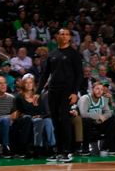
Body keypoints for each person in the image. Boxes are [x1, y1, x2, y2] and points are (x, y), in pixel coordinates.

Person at [39, 28, 82, 162]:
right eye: (61, 34)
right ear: (57, 36)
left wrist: (75, 92)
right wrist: (37, 92)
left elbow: (79, 75)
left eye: (67, 34)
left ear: (70, 38)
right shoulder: (52, 54)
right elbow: (45, 75)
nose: (64, 36)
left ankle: (67, 151)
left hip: (67, 92)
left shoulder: (74, 54)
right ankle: (58, 150)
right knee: (55, 121)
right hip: (53, 91)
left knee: (65, 120)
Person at [78, 80, 115, 156]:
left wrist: (102, 118)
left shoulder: (103, 99)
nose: (100, 91)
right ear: (92, 89)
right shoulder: (85, 98)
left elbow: (108, 112)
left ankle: (106, 147)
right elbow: (83, 114)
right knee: (87, 120)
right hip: (86, 123)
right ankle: (85, 149)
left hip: (98, 122)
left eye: (101, 89)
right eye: (97, 89)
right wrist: (98, 116)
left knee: (112, 119)